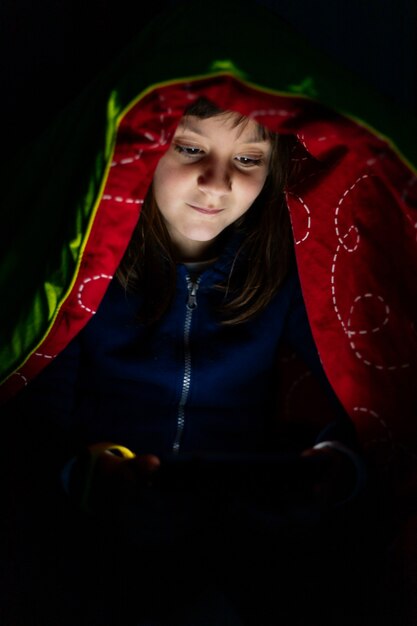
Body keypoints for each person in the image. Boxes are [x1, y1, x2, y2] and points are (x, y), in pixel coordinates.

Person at [3, 96, 388, 626]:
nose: (218, 183)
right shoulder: (89, 263)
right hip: (101, 527)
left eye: (248, 160)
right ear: (143, 153)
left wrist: (333, 467)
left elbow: (360, 398)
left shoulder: (285, 265)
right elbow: (35, 415)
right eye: (190, 148)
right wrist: (92, 474)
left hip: (242, 531)